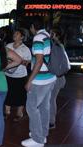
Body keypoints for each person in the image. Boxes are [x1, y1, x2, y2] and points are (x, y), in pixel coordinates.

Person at [22, 19, 57, 147]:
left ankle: (37, 139)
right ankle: (43, 135)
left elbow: (39, 61)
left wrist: (29, 80)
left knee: (31, 107)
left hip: (40, 80)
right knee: (44, 107)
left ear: (32, 26)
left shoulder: (38, 38)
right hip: (51, 77)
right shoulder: (47, 35)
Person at [5, 28, 32, 121]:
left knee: (20, 95)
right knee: (8, 93)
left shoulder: (25, 49)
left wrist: (18, 61)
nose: (14, 35)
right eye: (14, 33)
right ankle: (7, 111)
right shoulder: (8, 45)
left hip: (20, 75)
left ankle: (19, 113)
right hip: (8, 74)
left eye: (17, 34)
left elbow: (27, 63)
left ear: (22, 37)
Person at [49, 28, 69, 129]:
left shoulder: (56, 46)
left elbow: (56, 64)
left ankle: (51, 122)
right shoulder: (59, 45)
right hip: (60, 77)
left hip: (56, 78)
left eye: (52, 33)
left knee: (51, 99)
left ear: (55, 35)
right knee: (51, 99)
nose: (49, 34)